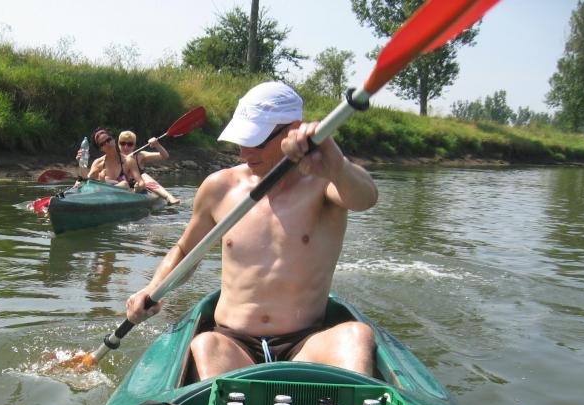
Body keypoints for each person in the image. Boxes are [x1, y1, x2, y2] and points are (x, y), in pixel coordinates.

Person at [125, 81, 378, 380]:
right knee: (205, 344)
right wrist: (152, 288)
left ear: (292, 130)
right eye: (241, 141)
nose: (245, 152)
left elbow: (365, 198)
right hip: (233, 342)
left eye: (257, 143)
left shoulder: (326, 182)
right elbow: (185, 251)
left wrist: (336, 165)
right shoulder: (220, 187)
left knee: (357, 336)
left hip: (306, 342)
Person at [118, 130, 180, 205]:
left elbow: (165, 156)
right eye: (122, 143)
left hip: (140, 187)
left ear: (134, 146)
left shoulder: (140, 156)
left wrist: (157, 144)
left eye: (130, 144)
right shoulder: (113, 158)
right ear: (118, 144)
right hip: (123, 187)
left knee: (143, 176)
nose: (126, 147)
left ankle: (169, 197)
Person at [75, 127, 145, 192]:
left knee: (124, 184)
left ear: (114, 139)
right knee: (79, 182)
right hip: (102, 194)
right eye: (102, 144)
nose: (107, 144)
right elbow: (86, 180)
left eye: (108, 140)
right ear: (100, 149)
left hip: (121, 195)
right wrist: (81, 164)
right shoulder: (98, 163)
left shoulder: (128, 161)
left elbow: (141, 183)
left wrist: (137, 188)